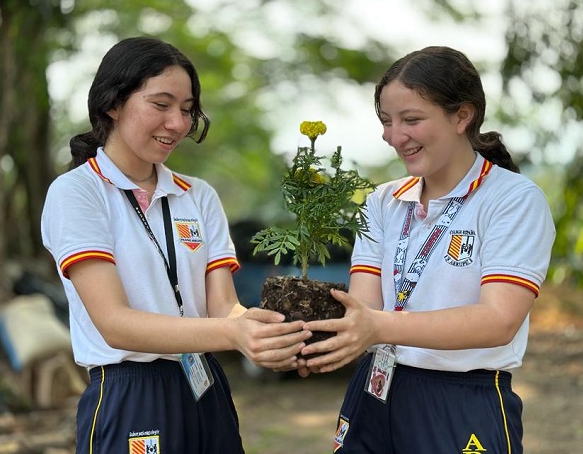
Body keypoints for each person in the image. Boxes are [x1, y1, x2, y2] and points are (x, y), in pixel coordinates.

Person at [40, 36, 309, 454]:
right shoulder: (77, 193)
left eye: (186, 110)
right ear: (113, 103)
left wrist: (260, 330)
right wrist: (231, 332)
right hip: (129, 390)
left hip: (204, 380)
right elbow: (114, 323)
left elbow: (223, 306)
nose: (178, 124)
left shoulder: (197, 195)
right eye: (161, 105)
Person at [299, 46, 556, 454]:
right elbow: (364, 306)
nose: (394, 136)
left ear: (462, 115)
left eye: (411, 120)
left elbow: (498, 320)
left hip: (463, 398)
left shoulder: (513, 200)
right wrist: (311, 336)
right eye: (386, 121)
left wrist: (377, 327)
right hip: (374, 387)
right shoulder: (383, 201)